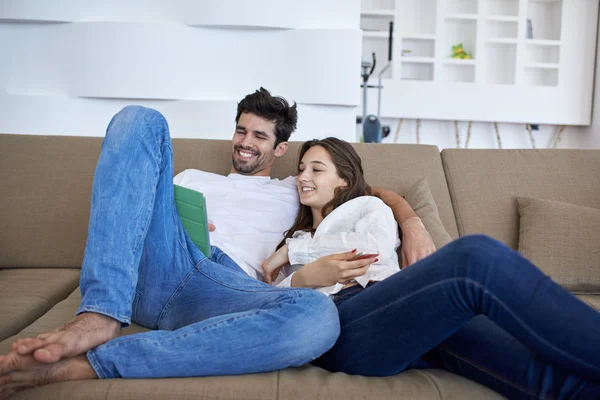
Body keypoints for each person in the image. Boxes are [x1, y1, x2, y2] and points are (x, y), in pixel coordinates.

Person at [0, 88, 435, 398]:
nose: (245, 143)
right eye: (241, 131)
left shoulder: (295, 187)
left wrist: (412, 224)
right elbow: (131, 210)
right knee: (140, 119)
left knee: (317, 315)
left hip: (222, 290)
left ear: (281, 149)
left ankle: (93, 364)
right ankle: (99, 314)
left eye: (259, 136)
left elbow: (367, 192)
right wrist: (172, 215)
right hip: (163, 263)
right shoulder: (191, 179)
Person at [262, 137, 600, 400]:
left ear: (343, 180)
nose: (302, 177)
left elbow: (373, 249)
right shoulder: (293, 236)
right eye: (301, 168)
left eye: (316, 169)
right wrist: (301, 277)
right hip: (341, 324)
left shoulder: (368, 207)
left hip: (402, 314)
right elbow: (267, 305)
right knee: (474, 256)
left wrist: (295, 251)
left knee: (542, 375)